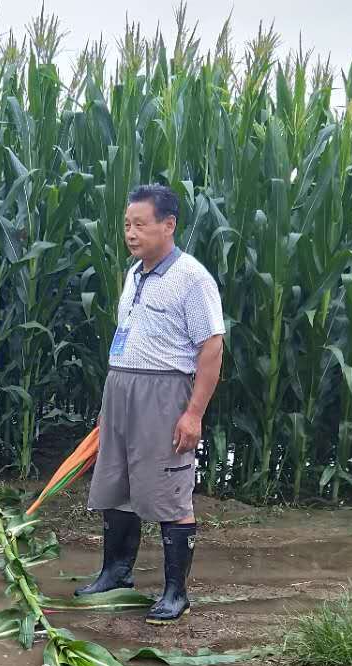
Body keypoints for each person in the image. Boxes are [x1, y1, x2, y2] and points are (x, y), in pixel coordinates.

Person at [76, 184, 225, 624]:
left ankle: (175, 593)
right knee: (117, 485)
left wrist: (193, 412)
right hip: (120, 390)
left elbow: (212, 348)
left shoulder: (192, 279)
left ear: (169, 225)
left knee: (168, 491)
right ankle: (115, 574)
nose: (131, 233)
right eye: (127, 225)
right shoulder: (134, 273)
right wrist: (109, 406)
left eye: (141, 224)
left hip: (164, 395)